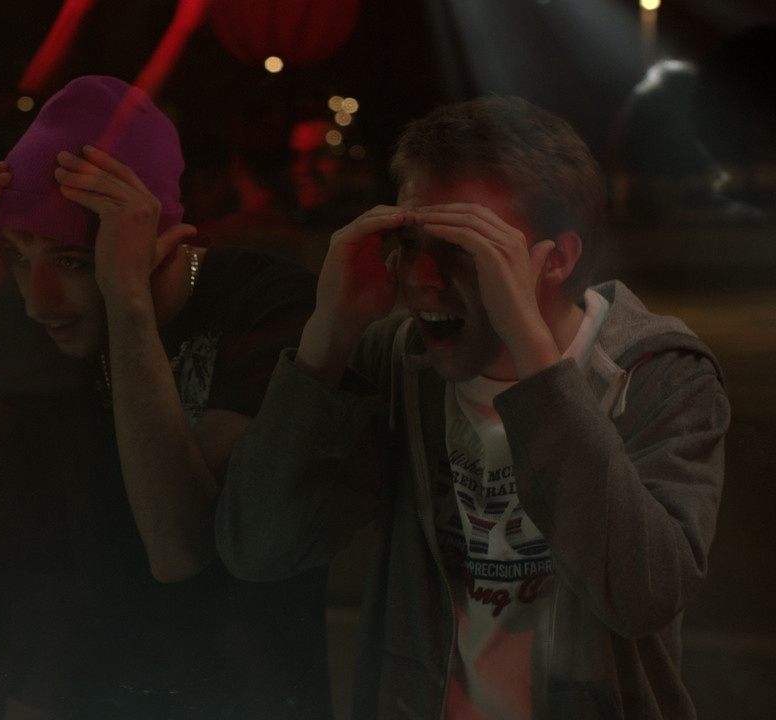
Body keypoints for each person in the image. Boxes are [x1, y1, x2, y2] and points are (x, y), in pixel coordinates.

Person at [217, 96, 729, 718]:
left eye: (463, 248)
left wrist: (536, 360)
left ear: (556, 259)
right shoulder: (401, 363)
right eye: (409, 242)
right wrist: (328, 335)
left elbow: (642, 596)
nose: (421, 279)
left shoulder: (657, 373)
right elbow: (259, 548)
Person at [0, 75, 331, 719]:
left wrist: (127, 303)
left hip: (236, 696)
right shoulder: (29, 319)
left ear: (154, 239)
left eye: (71, 262)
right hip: (71, 690)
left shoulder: (266, 305)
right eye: (18, 256)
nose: (38, 301)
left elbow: (180, 548)